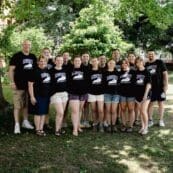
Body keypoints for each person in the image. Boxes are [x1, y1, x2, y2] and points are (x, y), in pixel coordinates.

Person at [9, 40, 37, 134]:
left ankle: (25, 122)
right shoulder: (17, 56)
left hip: (29, 86)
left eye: (28, 45)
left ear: (30, 46)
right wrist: (12, 82)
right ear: (22, 45)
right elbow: (11, 70)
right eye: (25, 44)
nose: (27, 46)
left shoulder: (33, 57)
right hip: (18, 85)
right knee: (17, 106)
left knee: (26, 105)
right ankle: (17, 125)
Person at [28, 56, 51, 136]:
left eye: (44, 61)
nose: (42, 63)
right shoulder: (34, 71)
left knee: (44, 112)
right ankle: (37, 129)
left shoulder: (47, 70)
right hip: (38, 95)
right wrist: (32, 96)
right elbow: (30, 85)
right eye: (41, 61)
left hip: (46, 95)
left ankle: (41, 128)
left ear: (46, 62)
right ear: (38, 62)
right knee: (38, 113)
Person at [145, 50, 168, 127]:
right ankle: (150, 120)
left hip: (160, 87)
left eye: (152, 54)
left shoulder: (160, 62)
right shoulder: (146, 64)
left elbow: (165, 74)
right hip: (150, 88)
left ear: (154, 55)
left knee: (160, 103)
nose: (150, 55)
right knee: (150, 104)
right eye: (149, 54)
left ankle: (161, 120)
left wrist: (166, 85)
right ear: (147, 55)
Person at [68, 56, 88, 136]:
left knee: (80, 110)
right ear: (73, 61)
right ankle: (75, 129)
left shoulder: (84, 69)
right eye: (76, 60)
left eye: (79, 60)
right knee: (75, 111)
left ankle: (78, 125)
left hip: (83, 93)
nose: (77, 62)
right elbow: (68, 82)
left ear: (81, 61)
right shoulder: (70, 70)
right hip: (73, 93)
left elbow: (87, 81)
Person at [50, 55, 68, 136]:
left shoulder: (65, 70)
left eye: (61, 60)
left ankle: (59, 128)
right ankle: (57, 130)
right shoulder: (51, 71)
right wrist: (52, 92)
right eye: (58, 60)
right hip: (55, 94)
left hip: (64, 94)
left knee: (62, 113)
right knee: (60, 112)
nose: (60, 62)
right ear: (55, 61)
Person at [134, 57, 151, 135]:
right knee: (141, 111)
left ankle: (146, 127)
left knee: (144, 111)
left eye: (140, 61)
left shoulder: (146, 71)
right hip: (137, 94)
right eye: (137, 62)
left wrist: (145, 95)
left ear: (143, 62)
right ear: (136, 64)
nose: (139, 63)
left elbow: (148, 84)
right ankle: (142, 126)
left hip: (145, 95)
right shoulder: (136, 72)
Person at [119, 59, 135, 132]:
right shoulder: (119, 73)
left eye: (125, 63)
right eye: (123, 63)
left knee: (131, 110)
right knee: (123, 109)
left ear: (128, 64)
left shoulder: (133, 72)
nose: (124, 64)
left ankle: (130, 126)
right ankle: (123, 124)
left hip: (131, 94)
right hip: (122, 94)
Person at [88, 58, 104, 132]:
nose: (94, 62)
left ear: (98, 61)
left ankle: (101, 124)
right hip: (91, 93)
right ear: (91, 62)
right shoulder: (89, 71)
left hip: (100, 93)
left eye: (95, 61)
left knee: (100, 110)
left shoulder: (102, 70)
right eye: (93, 61)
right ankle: (95, 123)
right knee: (94, 110)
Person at [103, 59, 119, 132]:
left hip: (116, 94)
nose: (111, 64)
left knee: (114, 110)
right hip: (107, 94)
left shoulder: (117, 73)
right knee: (108, 110)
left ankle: (114, 125)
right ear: (108, 64)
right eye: (110, 63)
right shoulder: (104, 73)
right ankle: (109, 125)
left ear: (115, 64)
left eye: (113, 63)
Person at [41, 47, 54, 129]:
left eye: (48, 52)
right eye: (45, 52)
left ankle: (46, 123)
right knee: (42, 105)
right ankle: (40, 123)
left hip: (49, 86)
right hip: (41, 86)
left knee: (47, 106)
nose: (46, 54)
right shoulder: (40, 62)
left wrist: (51, 59)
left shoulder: (52, 62)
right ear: (42, 53)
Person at [81, 53, 92, 128]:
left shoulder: (91, 66)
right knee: (80, 106)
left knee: (87, 106)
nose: (85, 58)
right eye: (84, 56)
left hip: (89, 89)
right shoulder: (79, 66)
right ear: (82, 58)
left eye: (87, 56)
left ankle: (86, 121)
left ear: (89, 58)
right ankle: (81, 121)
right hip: (80, 89)